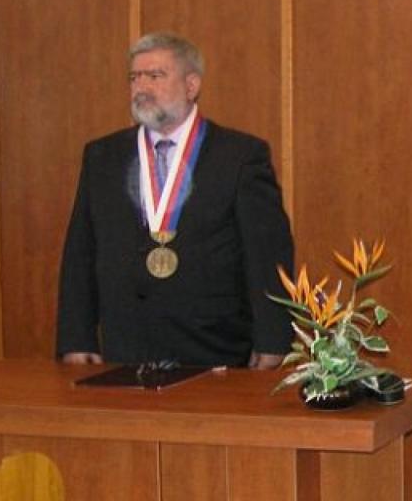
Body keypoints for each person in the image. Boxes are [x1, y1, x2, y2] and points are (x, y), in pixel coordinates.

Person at [56, 32, 294, 368]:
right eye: (134, 77)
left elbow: (267, 254)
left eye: (155, 76)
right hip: (125, 346)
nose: (141, 87)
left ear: (191, 85)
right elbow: (80, 252)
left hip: (214, 345)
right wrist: (76, 336)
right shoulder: (103, 156)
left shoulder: (240, 156)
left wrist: (273, 338)